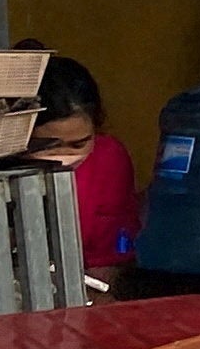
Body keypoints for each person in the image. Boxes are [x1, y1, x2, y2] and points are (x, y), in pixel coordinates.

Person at [17, 49, 136, 281]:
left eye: (79, 144)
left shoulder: (108, 159)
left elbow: (110, 251)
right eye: (47, 145)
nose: (63, 157)